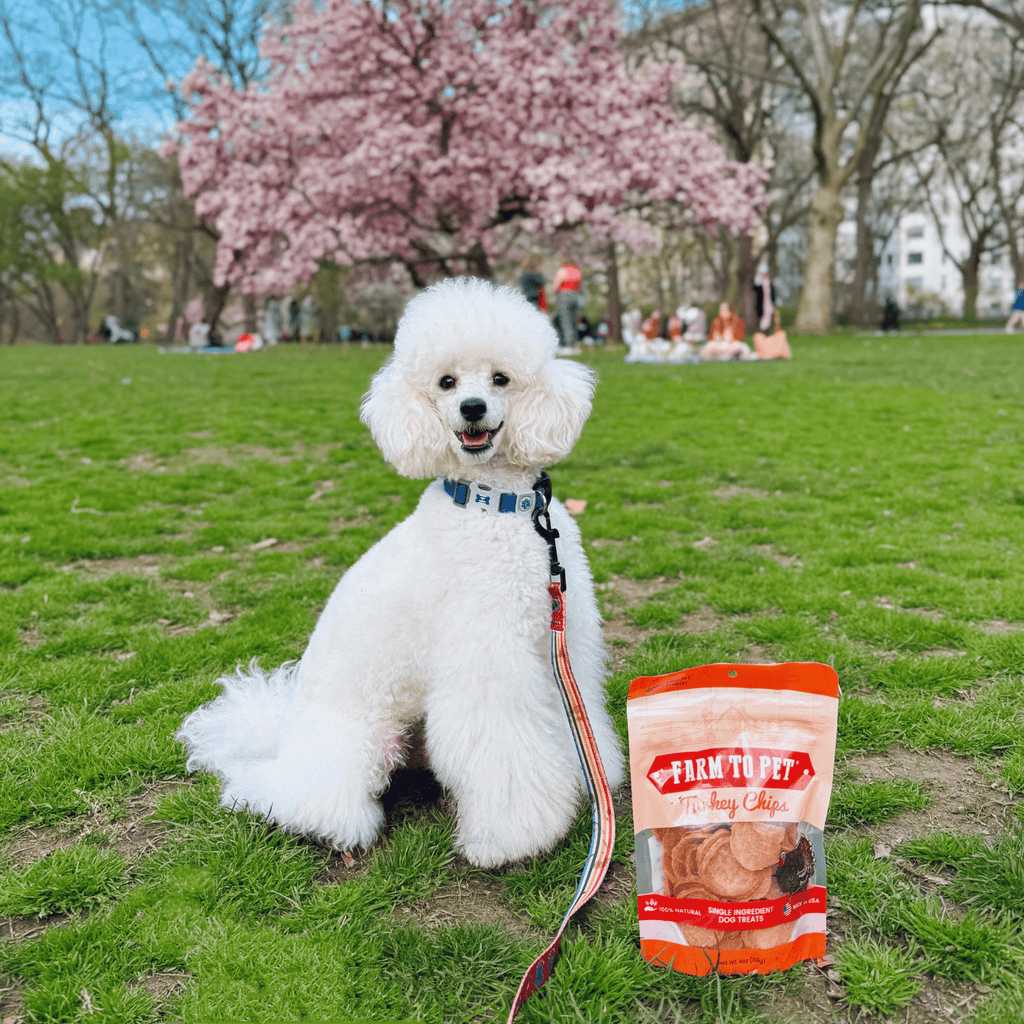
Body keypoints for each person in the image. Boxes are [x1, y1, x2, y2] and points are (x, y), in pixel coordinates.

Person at [553, 259, 582, 352]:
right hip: (576, 296)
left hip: (564, 295)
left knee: (566, 321)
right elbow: (579, 286)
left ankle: (568, 345)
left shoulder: (562, 270)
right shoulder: (577, 271)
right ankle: (575, 344)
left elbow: (556, 285)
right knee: (574, 321)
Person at [753, 266, 776, 332]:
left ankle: (767, 330)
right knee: (761, 317)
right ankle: (761, 329)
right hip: (761, 304)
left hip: (768, 304)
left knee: (768, 316)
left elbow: (772, 294)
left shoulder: (770, 284)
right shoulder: (758, 283)